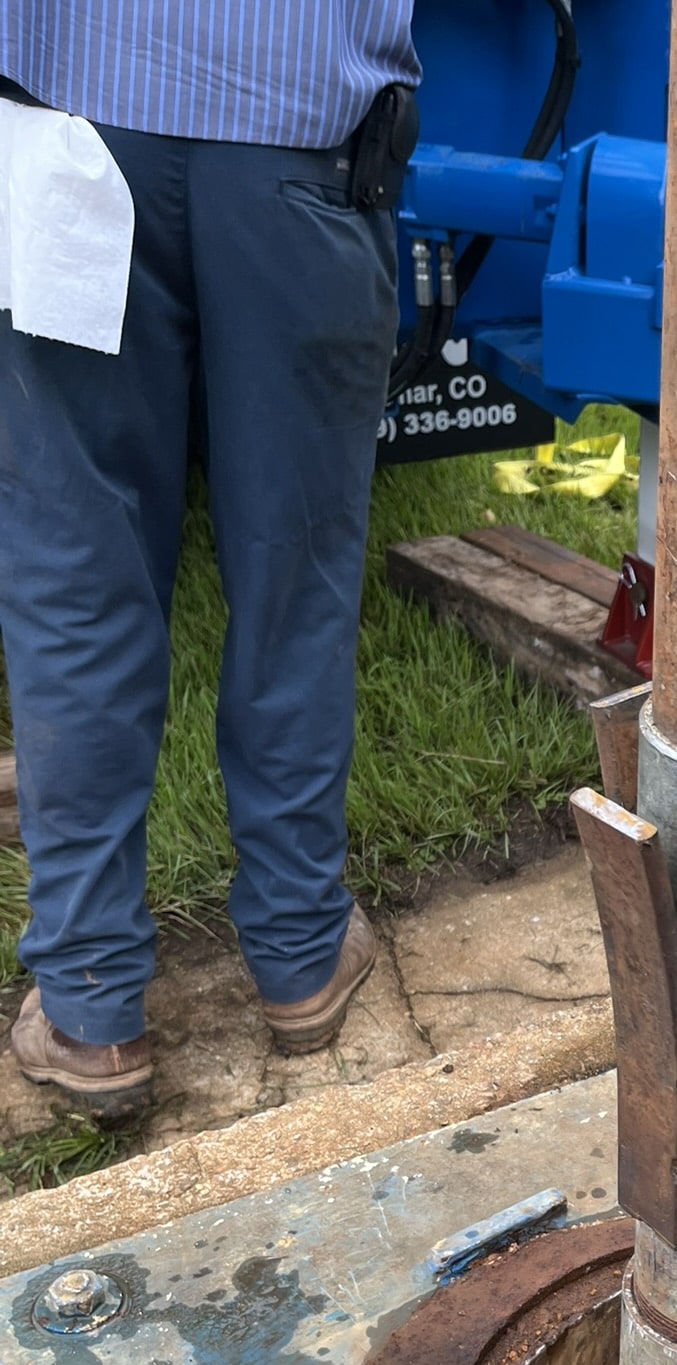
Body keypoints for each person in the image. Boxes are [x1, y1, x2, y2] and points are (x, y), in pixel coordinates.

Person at [0, 6, 419, 1115]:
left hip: (72, 133)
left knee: (75, 571)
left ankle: (89, 1000)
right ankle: (300, 951)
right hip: (300, 145)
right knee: (298, 571)